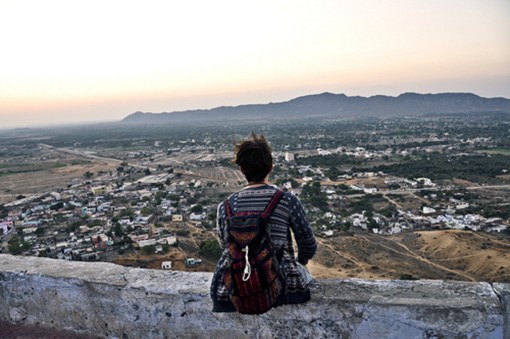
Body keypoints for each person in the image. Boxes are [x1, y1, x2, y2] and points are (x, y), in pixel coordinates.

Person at [210, 132, 317, 312]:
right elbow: (308, 243)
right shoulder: (286, 200)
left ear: (242, 170)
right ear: (270, 167)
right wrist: (300, 261)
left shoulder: (225, 206)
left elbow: (225, 247)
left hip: (229, 291)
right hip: (283, 287)